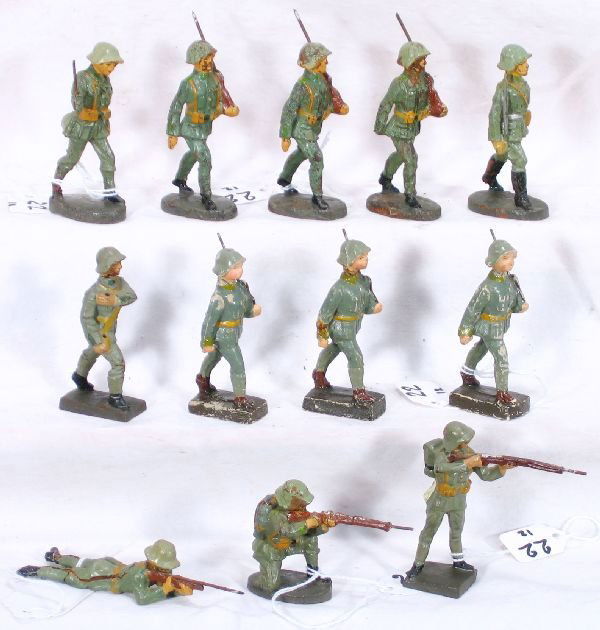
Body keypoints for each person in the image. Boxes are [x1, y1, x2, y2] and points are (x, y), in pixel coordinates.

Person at [403, 421, 513, 580]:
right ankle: (418, 564)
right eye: (461, 442)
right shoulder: (443, 455)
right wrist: (468, 463)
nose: (464, 445)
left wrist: (501, 468)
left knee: (456, 532)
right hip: (439, 500)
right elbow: (441, 467)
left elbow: (486, 475)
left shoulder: (469, 454)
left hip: (459, 500)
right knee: (428, 532)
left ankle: (458, 561)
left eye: (466, 442)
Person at [167, 40, 239, 212]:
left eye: (210, 58)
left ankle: (179, 179)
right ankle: (206, 196)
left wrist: (227, 109)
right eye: (204, 59)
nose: (208, 62)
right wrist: (172, 133)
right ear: (194, 61)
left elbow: (219, 100)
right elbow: (176, 107)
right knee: (205, 158)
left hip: (205, 127)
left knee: (194, 154)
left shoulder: (215, 79)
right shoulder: (188, 84)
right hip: (190, 128)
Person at [374, 41, 447, 209]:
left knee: (401, 156)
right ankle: (410, 195)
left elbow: (429, 100)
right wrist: (380, 126)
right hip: (398, 127)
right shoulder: (399, 84)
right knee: (411, 159)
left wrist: (432, 110)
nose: (425, 62)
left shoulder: (424, 81)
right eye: (421, 59)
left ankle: (385, 177)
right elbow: (386, 104)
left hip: (412, 127)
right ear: (412, 61)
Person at [277, 42, 349, 211]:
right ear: (314, 62)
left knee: (301, 153)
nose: (326, 62)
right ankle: (317, 196)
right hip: (302, 129)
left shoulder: (324, 81)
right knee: (317, 158)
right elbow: (289, 109)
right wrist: (285, 136)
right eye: (323, 59)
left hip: (315, 127)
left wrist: (336, 108)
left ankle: (284, 178)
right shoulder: (302, 85)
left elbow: (328, 101)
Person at [458, 238, 528, 406]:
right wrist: (465, 331)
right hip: (490, 327)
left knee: (482, 347)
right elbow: (472, 309)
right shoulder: (487, 287)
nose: (510, 262)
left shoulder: (511, 281)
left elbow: (513, 302)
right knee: (501, 357)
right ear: (492, 261)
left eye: (511, 257)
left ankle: (466, 372)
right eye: (505, 258)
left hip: (502, 325)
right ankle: (502, 392)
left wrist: (520, 306)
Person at [312, 239, 382, 405]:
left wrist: (374, 308)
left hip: (354, 325)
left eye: (366, 257)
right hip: (341, 328)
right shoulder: (339, 288)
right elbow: (325, 312)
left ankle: (319, 373)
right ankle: (359, 392)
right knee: (355, 356)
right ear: (349, 261)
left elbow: (365, 304)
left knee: (335, 348)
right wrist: (322, 335)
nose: (366, 260)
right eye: (361, 257)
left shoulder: (364, 281)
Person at [17, 540, 192, 605]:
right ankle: (38, 570)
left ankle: (56, 556)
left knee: (80, 561)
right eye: (164, 567)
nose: (167, 571)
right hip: (103, 577)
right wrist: (165, 590)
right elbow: (142, 598)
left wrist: (177, 590)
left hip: (109, 564)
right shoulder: (140, 575)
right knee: (72, 575)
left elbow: (164, 582)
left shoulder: (147, 566)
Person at [52, 42, 124, 203]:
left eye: (114, 65)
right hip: (82, 127)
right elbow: (79, 107)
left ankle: (110, 192)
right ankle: (56, 184)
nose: (112, 68)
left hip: (98, 127)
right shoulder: (83, 78)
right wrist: (95, 111)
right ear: (97, 61)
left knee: (108, 157)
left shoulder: (105, 80)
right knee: (72, 158)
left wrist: (103, 113)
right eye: (108, 64)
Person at [71, 247, 137, 410]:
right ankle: (115, 397)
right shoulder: (93, 293)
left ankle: (79, 376)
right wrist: (97, 341)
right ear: (107, 266)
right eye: (116, 264)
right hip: (102, 334)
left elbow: (131, 296)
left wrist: (116, 300)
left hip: (111, 331)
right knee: (118, 363)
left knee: (91, 353)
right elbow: (86, 319)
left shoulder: (119, 283)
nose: (120, 266)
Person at [197, 248, 261, 409]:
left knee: (214, 357)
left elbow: (243, 309)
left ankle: (202, 379)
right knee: (238, 365)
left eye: (240, 266)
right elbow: (209, 321)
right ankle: (240, 398)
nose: (240, 270)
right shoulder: (219, 297)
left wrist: (252, 311)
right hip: (224, 336)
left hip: (235, 331)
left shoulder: (241, 286)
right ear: (223, 270)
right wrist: (206, 341)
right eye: (235, 267)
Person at [252, 480, 335, 592]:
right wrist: (307, 524)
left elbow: (306, 531)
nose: (303, 507)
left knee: (311, 540)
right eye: (300, 503)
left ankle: (313, 574)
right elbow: (285, 531)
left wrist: (322, 528)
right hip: (271, 547)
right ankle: (265, 580)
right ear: (290, 500)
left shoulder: (293, 511)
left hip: (289, 542)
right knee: (271, 587)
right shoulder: (273, 512)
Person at [481, 44, 533, 212]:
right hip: (507, 131)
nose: (527, 65)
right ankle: (520, 196)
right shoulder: (503, 89)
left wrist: (524, 117)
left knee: (502, 156)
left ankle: (489, 177)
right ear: (512, 66)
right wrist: (496, 139)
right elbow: (495, 114)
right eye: (522, 62)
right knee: (520, 160)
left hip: (518, 128)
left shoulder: (524, 85)